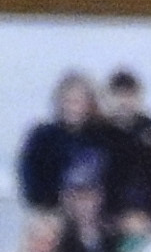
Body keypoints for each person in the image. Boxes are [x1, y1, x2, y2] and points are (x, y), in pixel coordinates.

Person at [86, 72, 151, 224]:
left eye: (130, 95)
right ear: (108, 98)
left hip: (144, 215)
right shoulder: (96, 133)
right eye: (118, 95)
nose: (124, 102)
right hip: (105, 216)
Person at [15, 74, 93, 212]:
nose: (73, 108)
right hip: (51, 209)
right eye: (68, 101)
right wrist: (45, 204)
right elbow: (28, 174)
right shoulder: (42, 137)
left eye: (78, 101)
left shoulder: (99, 137)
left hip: (91, 213)